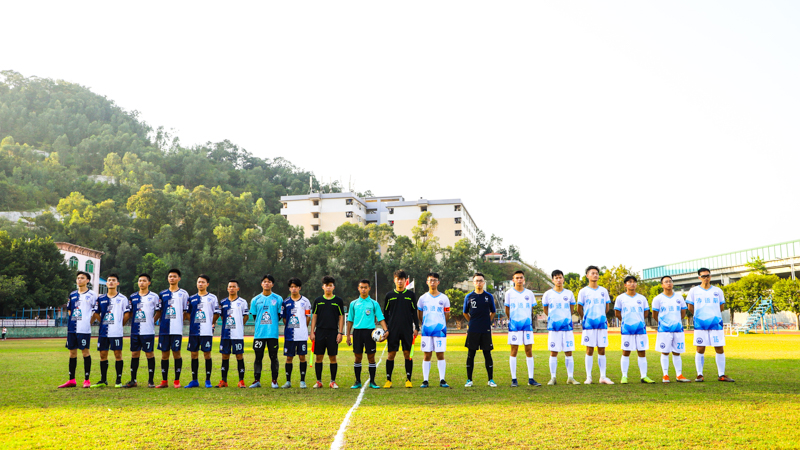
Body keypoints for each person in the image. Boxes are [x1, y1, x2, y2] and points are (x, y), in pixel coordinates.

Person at [686, 268, 734, 382]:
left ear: (710, 276)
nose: (706, 278)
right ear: (699, 277)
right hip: (700, 324)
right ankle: (699, 374)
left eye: (707, 276)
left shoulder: (718, 291)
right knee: (700, 348)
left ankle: (721, 375)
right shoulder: (694, 291)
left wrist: (713, 315)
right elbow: (690, 307)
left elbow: (721, 307)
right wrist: (699, 316)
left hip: (715, 324)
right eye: (703, 276)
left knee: (719, 348)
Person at [90, 274, 130, 388]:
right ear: (106, 283)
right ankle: (103, 380)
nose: (111, 282)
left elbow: (127, 314)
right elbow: (96, 313)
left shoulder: (122, 298)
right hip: (103, 332)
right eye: (109, 280)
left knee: (118, 354)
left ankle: (118, 381)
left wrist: (119, 324)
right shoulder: (101, 298)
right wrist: (103, 322)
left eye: (113, 280)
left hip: (116, 332)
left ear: (117, 283)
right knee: (103, 355)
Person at [58, 271, 98, 388]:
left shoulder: (92, 294)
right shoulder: (73, 294)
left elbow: (95, 312)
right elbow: (70, 310)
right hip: (72, 329)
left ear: (87, 281)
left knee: (85, 352)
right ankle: (71, 380)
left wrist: (88, 322)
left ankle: (87, 380)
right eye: (78, 278)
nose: (79, 280)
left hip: (84, 329)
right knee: (72, 353)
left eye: (82, 278)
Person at [347, 279, 388, 389]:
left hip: (370, 333)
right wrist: (348, 336)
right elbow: (350, 320)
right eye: (361, 287)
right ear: (358, 288)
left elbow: (381, 318)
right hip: (357, 333)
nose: (363, 289)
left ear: (369, 288)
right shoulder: (353, 304)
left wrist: (386, 330)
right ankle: (357, 381)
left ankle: (372, 382)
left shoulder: (374, 304)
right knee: (357, 357)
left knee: (371, 357)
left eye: (365, 287)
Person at [614, 275, 655, 384]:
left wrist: (638, 321)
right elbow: (617, 313)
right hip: (627, 329)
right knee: (626, 351)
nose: (632, 284)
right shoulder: (620, 298)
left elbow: (646, 312)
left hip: (640, 329)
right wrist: (626, 321)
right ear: (625, 285)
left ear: (636, 284)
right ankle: (624, 376)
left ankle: (644, 376)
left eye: (634, 282)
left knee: (642, 351)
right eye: (629, 282)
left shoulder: (642, 298)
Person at [577, 265, 614, 385]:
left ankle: (603, 376)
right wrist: (585, 318)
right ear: (587, 275)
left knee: (602, 349)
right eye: (592, 273)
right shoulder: (583, 291)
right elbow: (579, 308)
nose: (595, 275)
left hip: (601, 324)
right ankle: (589, 377)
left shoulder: (603, 291)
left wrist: (601, 317)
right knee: (589, 349)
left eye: (597, 273)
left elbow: (607, 307)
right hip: (589, 325)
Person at [123, 273, 161, 388]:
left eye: (144, 280)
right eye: (140, 280)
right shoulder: (133, 297)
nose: (141, 283)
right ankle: (133, 380)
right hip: (135, 331)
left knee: (149, 354)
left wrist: (152, 321)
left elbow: (159, 312)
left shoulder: (154, 296)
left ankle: (151, 381)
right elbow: (129, 313)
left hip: (148, 331)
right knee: (135, 354)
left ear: (149, 283)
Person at [383, 270, 419, 388]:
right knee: (391, 354)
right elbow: (386, 313)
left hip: (407, 329)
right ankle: (388, 380)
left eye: (402, 279)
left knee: (407, 354)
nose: (400, 281)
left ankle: (408, 380)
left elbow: (414, 312)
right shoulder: (389, 296)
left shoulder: (411, 295)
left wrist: (417, 327)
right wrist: (386, 329)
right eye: (398, 279)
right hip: (393, 330)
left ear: (405, 281)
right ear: (394, 280)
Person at [504, 270, 540, 387]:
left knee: (529, 350)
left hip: (527, 326)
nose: (519, 280)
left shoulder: (529, 293)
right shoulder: (509, 293)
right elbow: (507, 309)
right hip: (514, 326)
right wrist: (512, 320)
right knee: (514, 351)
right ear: (513, 280)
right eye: (517, 278)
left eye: (521, 278)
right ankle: (514, 379)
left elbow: (531, 309)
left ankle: (531, 379)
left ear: (524, 280)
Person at [543, 270, 579, 385]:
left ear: (563, 279)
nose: (558, 280)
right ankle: (553, 377)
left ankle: (570, 377)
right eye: (556, 278)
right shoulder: (548, 294)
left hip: (567, 327)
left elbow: (571, 309)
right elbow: (546, 309)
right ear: (552, 280)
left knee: (569, 352)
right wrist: (554, 319)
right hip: (554, 328)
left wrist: (564, 318)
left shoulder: (569, 293)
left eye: (560, 277)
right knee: (553, 352)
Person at [652, 275, 691, 383]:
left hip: (677, 329)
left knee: (677, 352)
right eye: (666, 282)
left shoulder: (679, 298)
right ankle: (665, 375)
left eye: (670, 281)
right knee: (665, 352)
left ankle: (679, 375)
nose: (669, 283)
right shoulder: (658, 299)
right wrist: (663, 323)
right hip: (664, 330)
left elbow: (683, 312)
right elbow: (654, 314)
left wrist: (676, 321)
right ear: (662, 285)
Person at [309, 276, 345, 389]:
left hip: (333, 332)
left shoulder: (338, 301)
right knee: (318, 357)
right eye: (326, 285)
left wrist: (340, 333)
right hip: (320, 332)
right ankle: (318, 381)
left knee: (332, 357)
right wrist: (312, 332)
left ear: (333, 287)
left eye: (330, 285)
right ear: (323, 287)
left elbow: (341, 317)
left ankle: (332, 381)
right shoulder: (318, 301)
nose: (328, 287)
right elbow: (314, 316)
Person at [156, 269, 190, 388]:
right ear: (167, 278)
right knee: (164, 355)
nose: (172, 278)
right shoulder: (162, 294)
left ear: (179, 279)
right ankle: (164, 381)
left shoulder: (184, 294)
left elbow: (186, 312)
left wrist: (180, 322)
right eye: (170, 276)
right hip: (164, 329)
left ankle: (176, 380)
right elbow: (159, 311)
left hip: (176, 330)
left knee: (177, 354)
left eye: (174, 276)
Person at [248, 275, 282, 388]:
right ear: (261, 284)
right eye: (264, 281)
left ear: (272, 284)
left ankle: (274, 381)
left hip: (272, 334)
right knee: (258, 357)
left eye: (269, 281)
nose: (266, 283)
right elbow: (254, 316)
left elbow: (279, 315)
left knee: (273, 357)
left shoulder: (278, 299)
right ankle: (257, 380)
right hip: (259, 334)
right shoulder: (255, 299)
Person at [416, 272, 450, 388]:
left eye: (435, 280)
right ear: (427, 282)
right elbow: (419, 314)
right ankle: (425, 380)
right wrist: (425, 324)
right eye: (430, 280)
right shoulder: (422, 298)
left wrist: (441, 324)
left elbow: (447, 314)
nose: (432, 282)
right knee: (427, 355)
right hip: (426, 331)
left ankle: (442, 379)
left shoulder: (444, 298)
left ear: (438, 282)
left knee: (440, 354)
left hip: (440, 330)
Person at [186, 274, 220, 388]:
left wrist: (210, 323)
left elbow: (216, 313)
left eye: (203, 282)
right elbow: (187, 313)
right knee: (194, 354)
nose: (200, 284)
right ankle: (194, 380)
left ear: (207, 284)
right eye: (199, 282)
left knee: (207, 354)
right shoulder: (191, 298)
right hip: (193, 331)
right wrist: (193, 322)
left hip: (206, 331)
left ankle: (208, 380)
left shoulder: (212, 298)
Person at [463, 272, 497, 388]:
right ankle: (469, 380)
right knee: (471, 354)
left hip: (485, 329)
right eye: (477, 281)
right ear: (473, 283)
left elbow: (493, 311)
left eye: (481, 281)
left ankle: (490, 379)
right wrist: (472, 322)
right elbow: (465, 312)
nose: (479, 283)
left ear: (484, 282)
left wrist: (488, 322)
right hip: (473, 329)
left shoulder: (489, 296)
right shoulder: (469, 297)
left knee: (487, 354)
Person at [281, 277, 312, 389]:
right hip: (289, 336)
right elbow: (284, 318)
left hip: (301, 335)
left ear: (299, 288)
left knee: (302, 357)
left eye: (296, 287)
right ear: (289, 288)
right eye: (291, 287)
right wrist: (291, 327)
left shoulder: (305, 301)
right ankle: (288, 381)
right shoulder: (285, 302)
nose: (293, 289)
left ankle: (302, 381)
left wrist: (302, 327)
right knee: (289, 358)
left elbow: (308, 317)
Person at [219, 280, 249, 388]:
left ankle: (241, 381)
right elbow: (222, 317)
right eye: (230, 286)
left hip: (237, 334)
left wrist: (239, 325)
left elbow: (246, 316)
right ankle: (224, 381)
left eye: (234, 286)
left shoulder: (242, 302)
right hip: (225, 334)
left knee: (239, 356)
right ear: (227, 289)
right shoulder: (223, 302)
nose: (232, 288)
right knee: (224, 356)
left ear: (238, 288)